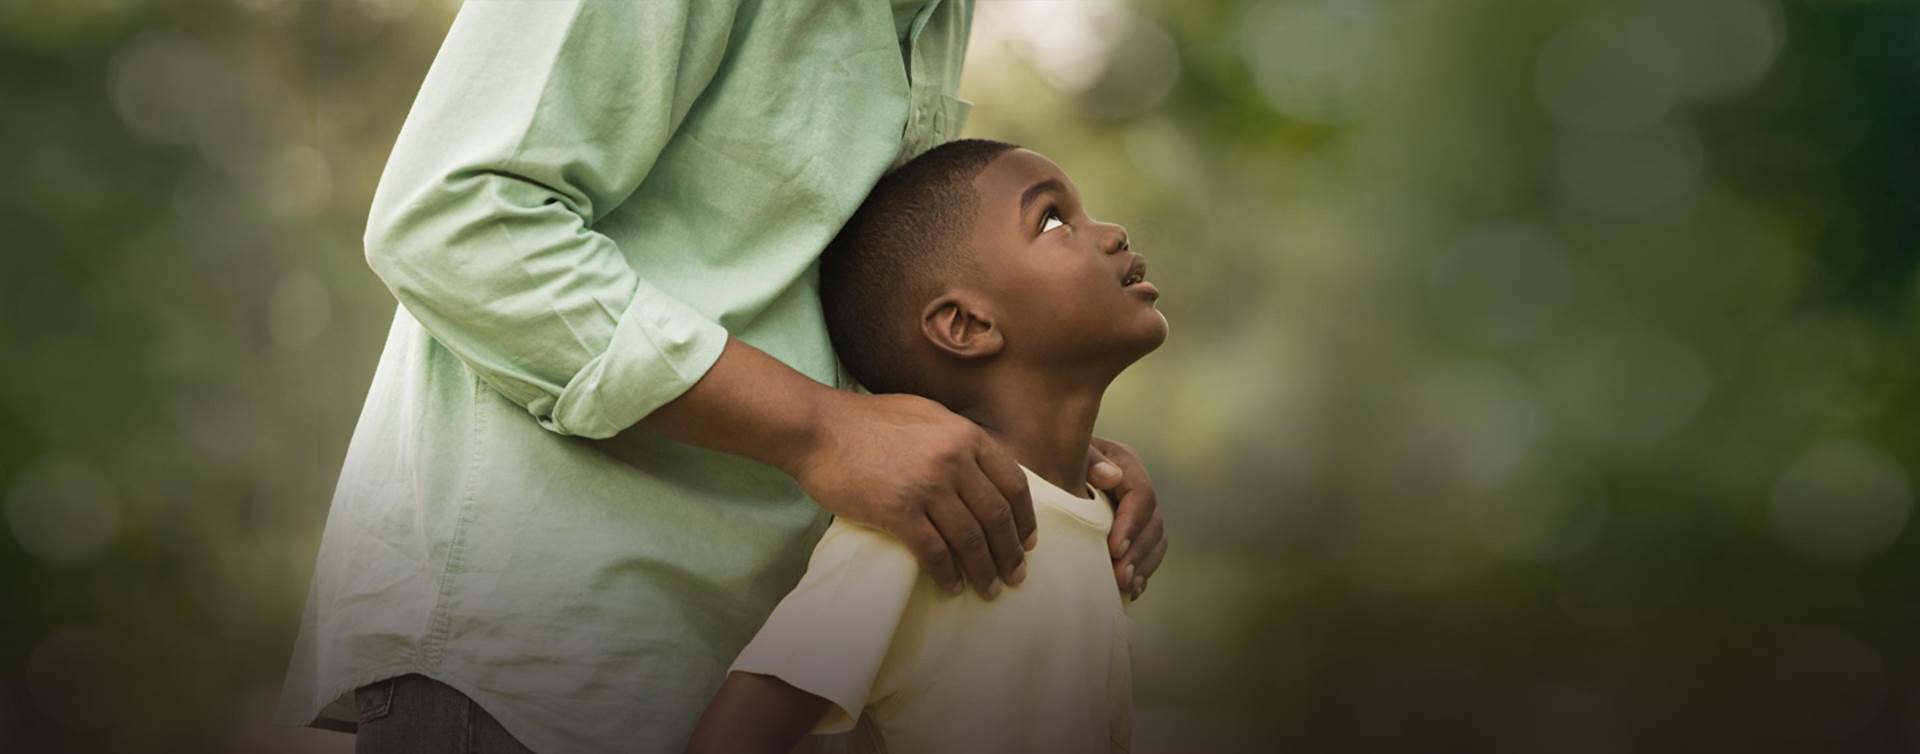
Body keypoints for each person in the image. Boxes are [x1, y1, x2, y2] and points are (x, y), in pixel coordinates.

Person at [272, 2, 1169, 753]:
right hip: (548, 654)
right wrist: (819, 428)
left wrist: (1032, 448)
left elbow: (850, 294)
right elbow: (449, 219)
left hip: (760, 636)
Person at [685, 139, 1166, 754]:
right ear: (966, 326)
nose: (1113, 232)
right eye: (1052, 219)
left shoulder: (1101, 515)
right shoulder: (921, 523)